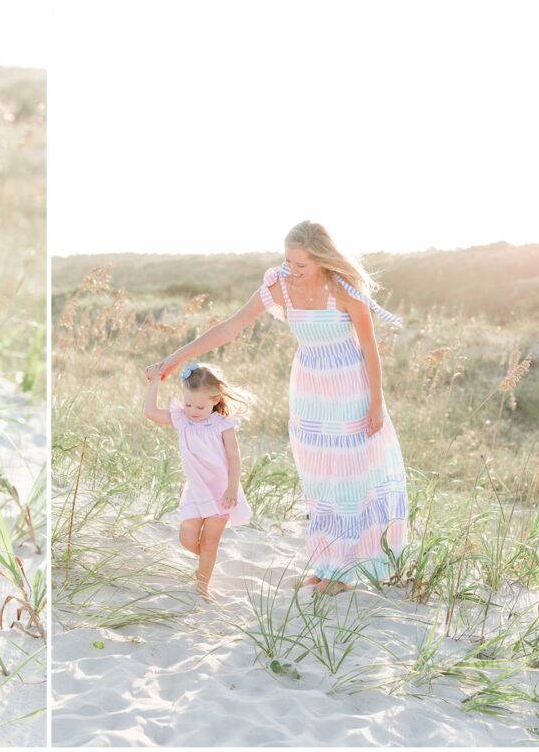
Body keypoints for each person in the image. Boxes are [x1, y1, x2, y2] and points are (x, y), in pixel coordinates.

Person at [147, 220, 407, 595]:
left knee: (349, 475)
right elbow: (229, 327)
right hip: (308, 388)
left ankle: (345, 570)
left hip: (350, 387)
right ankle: (328, 562)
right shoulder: (280, 285)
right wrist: (176, 356)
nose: (293, 269)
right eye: (288, 260)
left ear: (321, 259)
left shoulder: (344, 290)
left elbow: (369, 348)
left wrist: (377, 403)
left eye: (301, 264)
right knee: (319, 476)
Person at [144, 361, 253, 603]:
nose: (193, 410)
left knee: (211, 543)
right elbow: (151, 413)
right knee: (188, 538)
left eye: (200, 406)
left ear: (215, 399)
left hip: (222, 492)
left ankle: (203, 585)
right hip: (195, 491)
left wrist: (232, 488)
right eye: (188, 403)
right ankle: (206, 562)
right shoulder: (182, 419)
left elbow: (235, 459)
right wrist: (154, 382)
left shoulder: (223, 425)